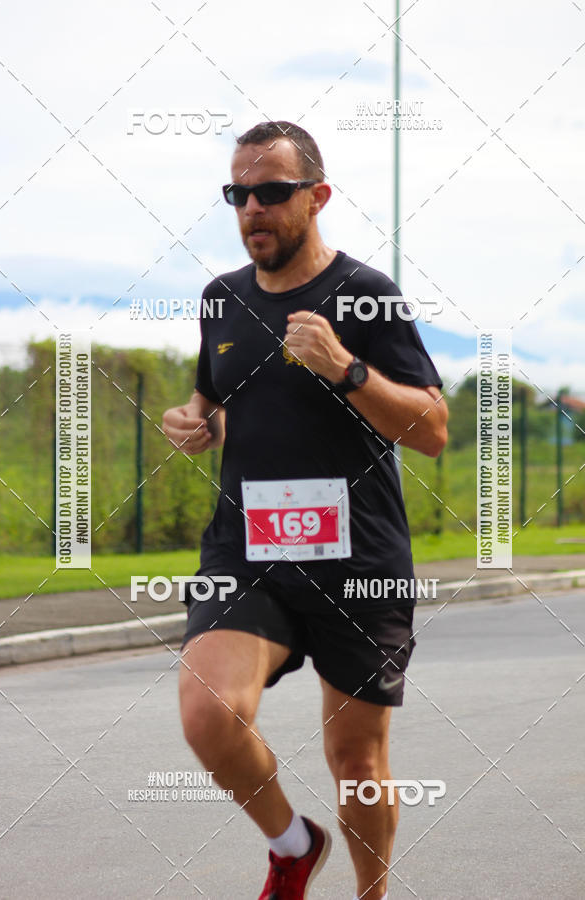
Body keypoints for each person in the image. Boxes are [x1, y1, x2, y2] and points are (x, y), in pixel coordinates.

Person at [162, 120, 448, 900]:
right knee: (207, 712)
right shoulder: (221, 300)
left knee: (356, 762)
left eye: (272, 192)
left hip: (359, 563)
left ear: (317, 196)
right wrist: (195, 423)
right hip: (249, 553)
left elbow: (433, 430)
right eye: (239, 193)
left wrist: (348, 369)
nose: (253, 207)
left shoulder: (367, 297)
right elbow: (218, 406)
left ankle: (370, 893)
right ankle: (293, 845)